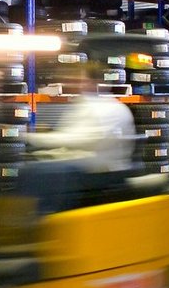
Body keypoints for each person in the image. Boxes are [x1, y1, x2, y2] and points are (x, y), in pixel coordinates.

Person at [18, 62, 138, 214]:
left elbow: (82, 139)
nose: (74, 83)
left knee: (42, 174)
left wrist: (34, 138)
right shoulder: (82, 105)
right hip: (85, 165)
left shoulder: (109, 108)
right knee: (30, 168)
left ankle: (41, 222)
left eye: (80, 79)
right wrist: (47, 153)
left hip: (103, 172)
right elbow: (69, 141)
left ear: (94, 82)